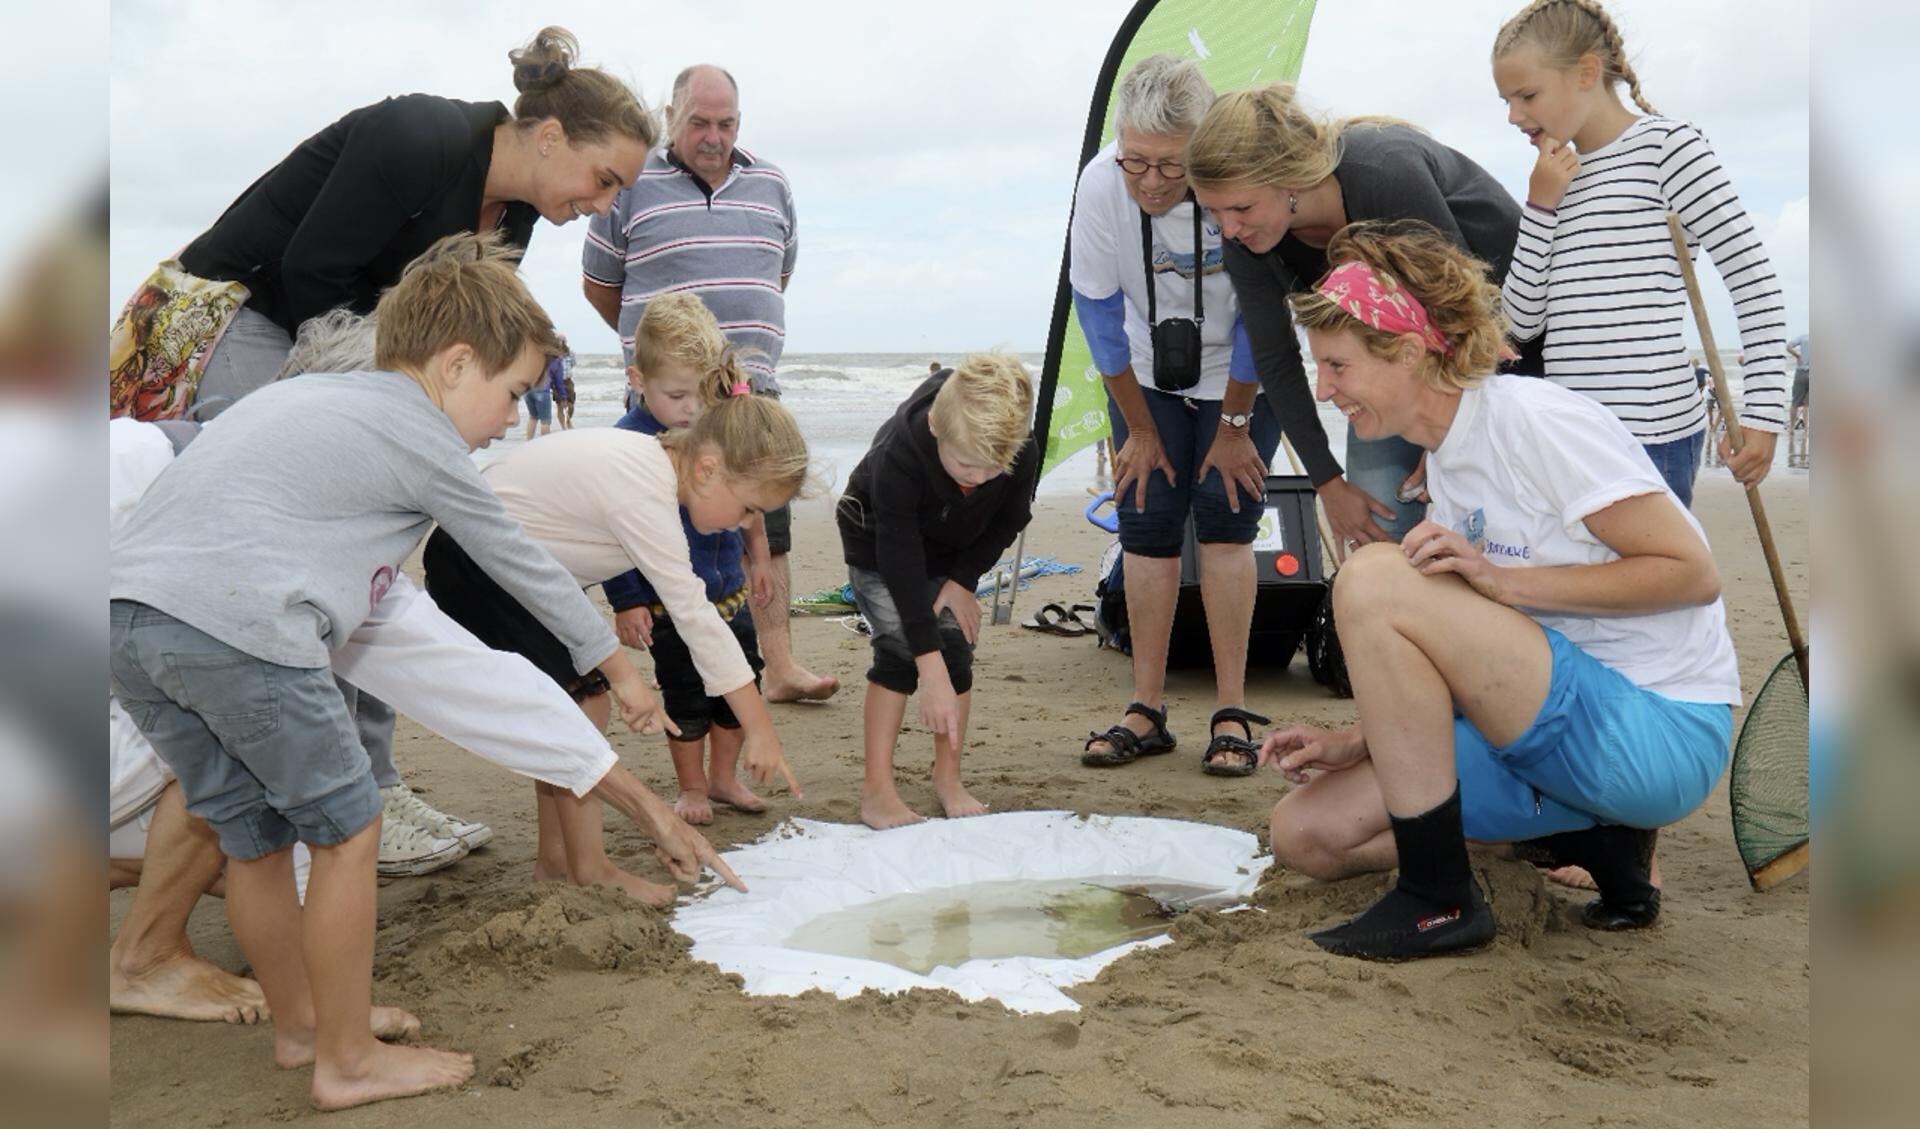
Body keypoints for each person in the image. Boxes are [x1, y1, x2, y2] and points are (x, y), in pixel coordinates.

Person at [109, 234, 731, 1109]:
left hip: (128, 618)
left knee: (253, 836)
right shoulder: (417, 429)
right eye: (513, 393)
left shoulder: (311, 399)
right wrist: (614, 668)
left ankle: (301, 1027)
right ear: (454, 364)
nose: (514, 418)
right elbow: (516, 555)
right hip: (241, 628)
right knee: (349, 828)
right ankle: (348, 1057)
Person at [1253, 220, 1737, 960]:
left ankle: (1439, 896)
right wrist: (1355, 741)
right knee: (1304, 834)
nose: (1325, 389)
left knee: (1375, 576)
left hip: (1656, 726)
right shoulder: (1448, 459)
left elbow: (1690, 572)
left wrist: (1502, 581)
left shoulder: (1531, 421)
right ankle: (1595, 841)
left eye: (1339, 366)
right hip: (1548, 725)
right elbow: (1464, 656)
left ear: (1409, 350)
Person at [424, 367, 807, 894]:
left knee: (566, 707)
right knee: (585, 705)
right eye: (748, 508)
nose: (745, 525)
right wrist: (760, 729)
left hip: (523, 576)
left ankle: (556, 861)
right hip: (477, 561)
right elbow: (696, 616)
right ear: (708, 470)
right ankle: (589, 869)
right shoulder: (643, 485)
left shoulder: (654, 468)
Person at [1186, 84, 1544, 558]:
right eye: (1212, 211)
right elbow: (1276, 359)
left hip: (1509, 350)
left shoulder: (1384, 172)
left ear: (1288, 176)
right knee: (1380, 536)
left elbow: (1468, 318)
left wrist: (1447, 442)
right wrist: (1328, 483)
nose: (1228, 229)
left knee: (1499, 540)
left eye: (1241, 208)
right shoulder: (1245, 242)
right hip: (1394, 365)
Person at [583, 63, 838, 705]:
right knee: (669, 528)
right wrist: (665, 361)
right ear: (672, 117)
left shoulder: (772, 184)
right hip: (668, 396)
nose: (713, 137)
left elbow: (776, 276)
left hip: (751, 390)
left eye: (726, 124)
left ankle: (775, 665)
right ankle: (691, 670)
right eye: (699, 122)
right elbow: (599, 284)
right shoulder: (634, 182)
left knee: (760, 524)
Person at [1067, 56, 1280, 776]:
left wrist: (1234, 427)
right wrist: (1141, 430)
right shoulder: (1102, 184)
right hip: (1146, 373)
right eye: (1137, 162)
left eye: (1171, 164)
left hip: (1245, 374)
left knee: (1225, 525)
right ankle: (1147, 708)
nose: (1152, 181)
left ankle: (1230, 710)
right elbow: (1097, 314)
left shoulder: (1239, 176)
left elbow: (1262, 312)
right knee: (1146, 526)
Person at [1491, 0, 1791, 502]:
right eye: (1506, 100)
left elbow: (1753, 281)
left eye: (1527, 96)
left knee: (1657, 581)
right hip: (1567, 438)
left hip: (1650, 436)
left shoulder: (1669, 148)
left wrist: (1762, 413)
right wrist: (1540, 206)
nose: (1513, 116)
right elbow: (1519, 324)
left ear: (1587, 71)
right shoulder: (1552, 176)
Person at [838, 354, 1040, 829]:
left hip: (950, 551)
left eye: (993, 470)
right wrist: (927, 669)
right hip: (879, 543)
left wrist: (963, 581)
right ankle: (877, 790)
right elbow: (899, 556)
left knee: (955, 649)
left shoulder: (1015, 449)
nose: (979, 479)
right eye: (967, 464)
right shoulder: (901, 452)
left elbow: (1010, 520)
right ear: (935, 427)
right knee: (901, 648)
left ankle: (948, 778)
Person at [605, 295, 780, 824]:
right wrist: (626, 601)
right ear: (637, 379)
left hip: (728, 596)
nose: (690, 410)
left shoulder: (718, 427)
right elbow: (608, 533)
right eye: (676, 394)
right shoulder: (625, 445)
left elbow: (750, 502)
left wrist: (762, 558)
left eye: (701, 395)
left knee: (737, 687)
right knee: (687, 699)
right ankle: (693, 787)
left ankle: (725, 779)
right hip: (665, 608)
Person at [1787, 334, 1810, 466]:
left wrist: (1797, 356)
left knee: (1795, 402)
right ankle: (1806, 429)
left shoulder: (1803, 337)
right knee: (1807, 404)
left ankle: (1791, 427)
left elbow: (1788, 346)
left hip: (1801, 372)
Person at [523, 364, 554, 439]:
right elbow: (557, 377)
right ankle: (544, 445)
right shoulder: (549, 360)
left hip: (528, 390)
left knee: (533, 417)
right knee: (545, 421)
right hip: (542, 390)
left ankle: (528, 442)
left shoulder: (530, 358)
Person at [553, 336, 578, 429]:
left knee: (571, 405)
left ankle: (568, 421)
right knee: (560, 405)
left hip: (568, 381)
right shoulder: (553, 354)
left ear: (564, 342)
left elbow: (573, 364)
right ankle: (563, 426)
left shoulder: (570, 354)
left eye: (561, 341)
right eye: (558, 340)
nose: (560, 342)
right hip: (556, 382)